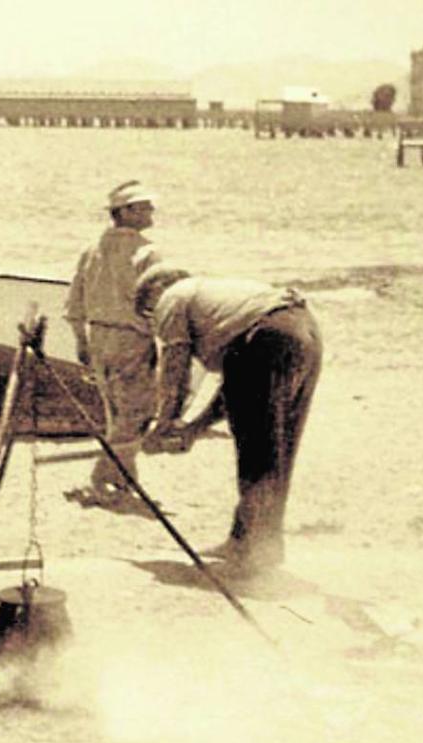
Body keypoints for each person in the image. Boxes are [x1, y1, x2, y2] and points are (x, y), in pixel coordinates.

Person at [133, 265, 322, 573]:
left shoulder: (173, 296)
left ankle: (252, 551)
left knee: (256, 452)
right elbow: (235, 392)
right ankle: (255, 543)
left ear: (156, 291)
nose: (154, 323)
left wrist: (163, 423)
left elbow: (174, 367)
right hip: (306, 331)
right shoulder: (224, 300)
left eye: (148, 313)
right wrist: (193, 429)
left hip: (266, 337)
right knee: (278, 449)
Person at [62, 180, 163, 508]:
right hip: (131, 339)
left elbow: (74, 303)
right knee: (137, 413)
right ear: (127, 212)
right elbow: (160, 303)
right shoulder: (147, 252)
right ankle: (102, 478)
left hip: (98, 337)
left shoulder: (91, 250)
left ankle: (121, 481)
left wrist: (81, 341)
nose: (151, 211)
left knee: (115, 413)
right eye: (144, 206)